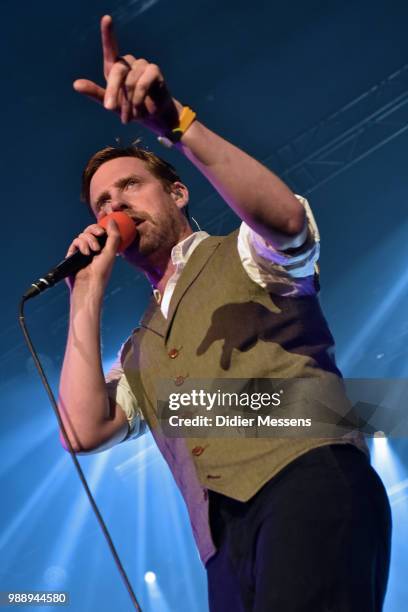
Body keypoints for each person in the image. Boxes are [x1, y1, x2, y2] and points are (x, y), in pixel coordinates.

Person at [58, 14, 392, 611]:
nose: (114, 208)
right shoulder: (139, 349)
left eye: (130, 188)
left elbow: (288, 221)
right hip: (221, 548)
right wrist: (84, 296)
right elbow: (82, 430)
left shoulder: (240, 251)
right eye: (101, 202)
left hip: (309, 483)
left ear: (177, 193)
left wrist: (175, 123)